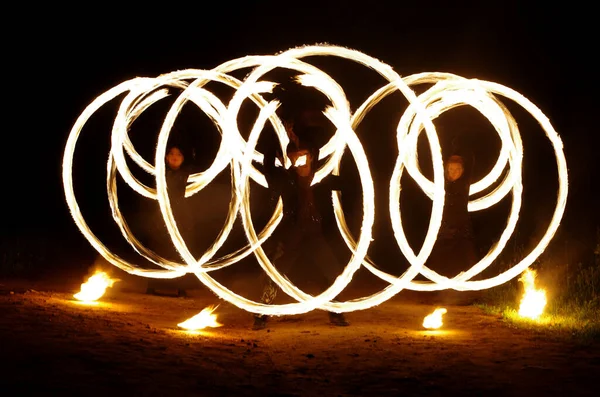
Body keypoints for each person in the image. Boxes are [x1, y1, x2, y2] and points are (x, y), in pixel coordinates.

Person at [252, 116, 350, 330]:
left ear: (312, 157)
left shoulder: (321, 178)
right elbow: (268, 167)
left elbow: (348, 182)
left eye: (303, 157)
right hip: (291, 237)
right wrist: (277, 141)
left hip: (314, 235)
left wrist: (296, 140)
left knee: (333, 272)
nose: (299, 163)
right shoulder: (285, 179)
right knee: (275, 273)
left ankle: (336, 313)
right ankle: (262, 313)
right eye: (294, 158)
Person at [427, 153, 480, 305]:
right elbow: (430, 158)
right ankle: (443, 295)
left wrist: (458, 146)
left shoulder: (465, 184)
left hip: (462, 227)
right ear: (445, 169)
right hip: (444, 226)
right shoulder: (440, 184)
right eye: (451, 169)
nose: (454, 172)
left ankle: (465, 295)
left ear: (463, 170)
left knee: (463, 261)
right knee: (443, 261)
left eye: (457, 169)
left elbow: (471, 160)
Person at [146, 144, 197, 297]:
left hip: (179, 214)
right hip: (161, 213)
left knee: (178, 250)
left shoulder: (185, 172)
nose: (175, 157)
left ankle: (180, 286)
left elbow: (194, 161)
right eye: (172, 154)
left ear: (183, 159)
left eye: (179, 154)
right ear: (166, 157)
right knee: (157, 249)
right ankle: (152, 285)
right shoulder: (160, 172)